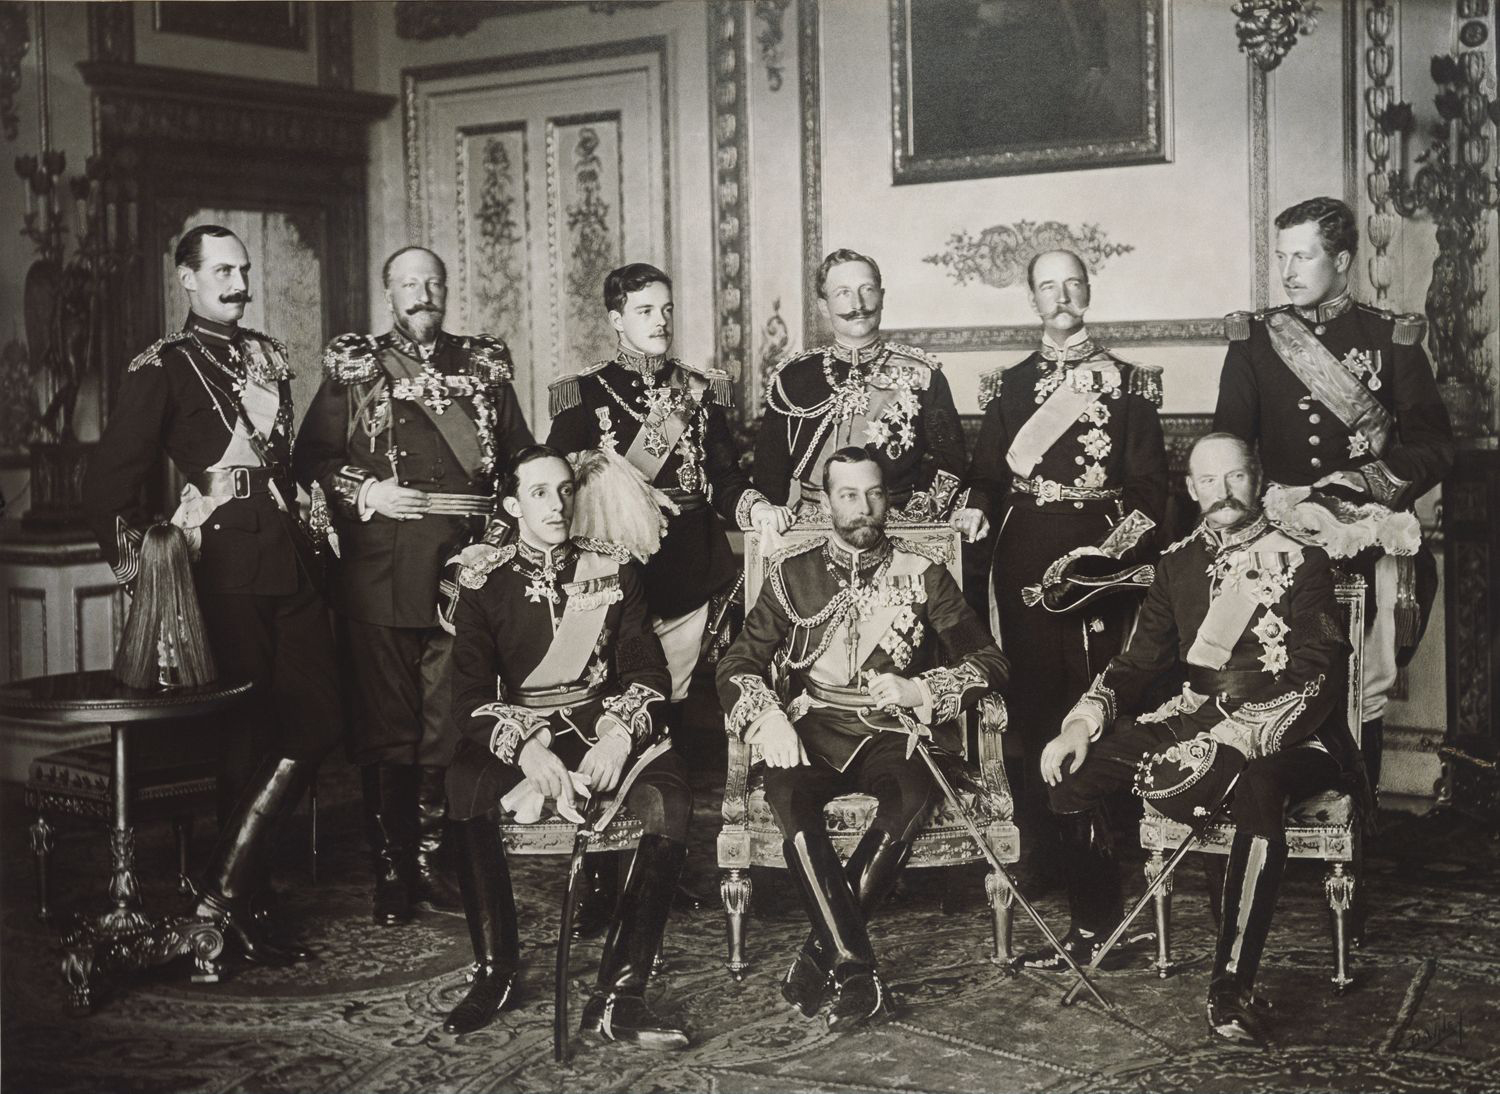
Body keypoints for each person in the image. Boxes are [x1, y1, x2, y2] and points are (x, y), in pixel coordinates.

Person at [1030, 432, 1354, 1046]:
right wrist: (1079, 723)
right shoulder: (1176, 565)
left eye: (1236, 477)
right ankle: (1098, 925)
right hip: (1197, 716)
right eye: (1210, 481)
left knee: (1257, 786)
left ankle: (1230, 986)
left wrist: (1239, 739)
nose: (1224, 492)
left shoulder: (1305, 561)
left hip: (1296, 730)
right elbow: (1134, 666)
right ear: (1191, 489)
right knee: (1070, 775)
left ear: (1257, 480)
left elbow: (1320, 668)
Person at [83, 224, 341, 965]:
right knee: (247, 733)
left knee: (320, 719)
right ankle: (241, 907)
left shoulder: (266, 356)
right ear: (186, 280)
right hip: (225, 568)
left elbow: (285, 466)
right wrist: (156, 552)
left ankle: (217, 894)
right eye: (222, 270)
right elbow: (105, 488)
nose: (238, 282)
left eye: (244, 269)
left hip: (291, 560)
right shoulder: (162, 368)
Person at [715, 448, 1008, 1030]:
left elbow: (989, 661)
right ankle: (856, 971)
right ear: (826, 502)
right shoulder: (790, 572)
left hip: (890, 730)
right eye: (848, 494)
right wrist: (767, 717)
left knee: (911, 796)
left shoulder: (924, 572)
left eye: (874, 493)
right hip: (812, 726)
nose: (864, 507)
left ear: (887, 497)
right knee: (790, 799)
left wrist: (921, 689)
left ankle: (823, 954)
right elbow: (737, 663)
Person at [294, 246, 534, 926]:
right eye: (407, 283)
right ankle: (391, 872)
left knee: (447, 721)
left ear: (447, 289)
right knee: (385, 725)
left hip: (467, 564)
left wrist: (510, 529)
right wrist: (367, 488)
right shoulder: (357, 364)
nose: (421, 293)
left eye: (432, 282)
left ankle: (434, 859)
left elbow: (518, 455)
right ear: (388, 293)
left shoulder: (484, 363)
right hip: (381, 563)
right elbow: (312, 458)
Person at [440, 445, 693, 1049]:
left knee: (672, 796)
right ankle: (497, 971)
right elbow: (469, 695)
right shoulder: (483, 581)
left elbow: (646, 672)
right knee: (462, 785)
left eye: (563, 491)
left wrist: (618, 736)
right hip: (524, 725)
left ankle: (620, 994)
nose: (556, 505)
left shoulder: (614, 567)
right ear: (511, 504)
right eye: (538, 493)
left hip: (602, 719)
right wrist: (526, 750)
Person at [1214, 196, 1453, 790]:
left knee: (1362, 682)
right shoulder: (1254, 341)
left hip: (1366, 537)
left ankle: (1356, 820)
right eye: (1281, 257)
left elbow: (1433, 446)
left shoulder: (1388, 337)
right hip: (1282, 541)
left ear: (1343, 260)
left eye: (1305, 255)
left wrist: (1362, 483)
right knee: (1277, 675)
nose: (1289, 271)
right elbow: (1230, 449)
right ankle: (1279, 816)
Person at [959, 249, 1167, 894]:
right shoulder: (1010, 385)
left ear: (1088, 292)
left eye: (1072, 284)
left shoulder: (1130, 383)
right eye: (1048, 287)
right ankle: (1043, 847)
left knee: (1099, 687)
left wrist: (1113, 558)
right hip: (1024, 556)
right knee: (1033, 696)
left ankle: (1111, 836)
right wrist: (974, 508)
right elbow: (989, 476)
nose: (1062, 296)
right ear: (1033, 300)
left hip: (1101, 555)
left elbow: (1150, 487)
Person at [547, 262, 781, 741]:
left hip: (691, 561)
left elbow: (725, 478)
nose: (661, 322)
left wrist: (754, 508)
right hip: (618, 564)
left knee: (679, 700)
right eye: (646, 310)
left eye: (667, 310)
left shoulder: (699, 390)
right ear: (617, 319)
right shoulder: (583, 393)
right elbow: (555, 481)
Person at [754, 249, 968, 522]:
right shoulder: (793, 378)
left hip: (895, 525)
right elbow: (768, 477)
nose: (858, 304)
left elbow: (950, 465)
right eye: (843, 293)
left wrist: (917, 520)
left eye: (867, 289)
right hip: (813, 529)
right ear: (823, 306)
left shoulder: (923, 374)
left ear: (882, 296)